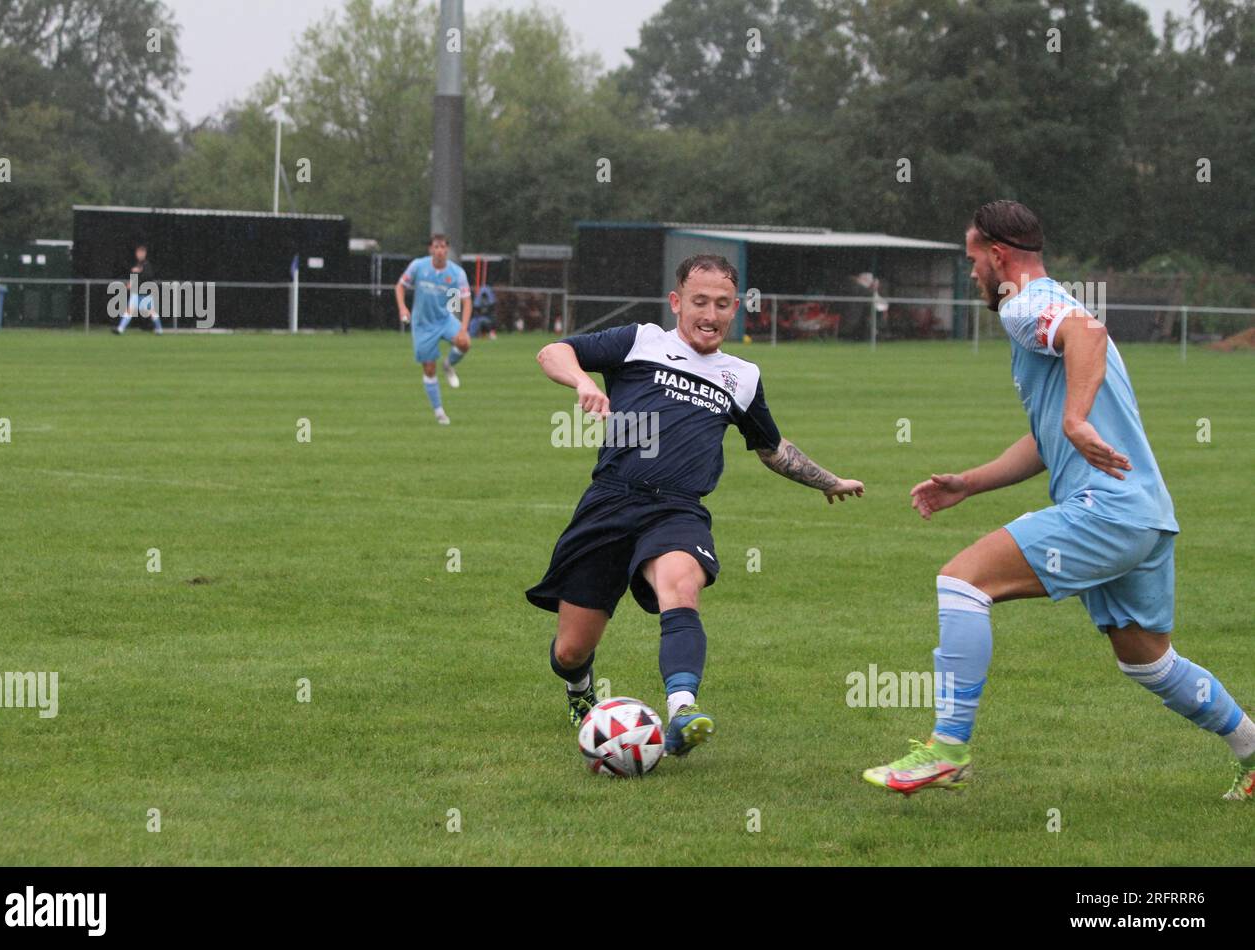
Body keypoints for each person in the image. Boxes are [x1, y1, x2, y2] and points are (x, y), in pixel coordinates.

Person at [863, 200, 1255, 801]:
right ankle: (1253, 751)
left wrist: (1074, 418)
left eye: (973, 260)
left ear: (998, 256)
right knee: (1147, 661)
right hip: (1144, 514)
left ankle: (947, 749)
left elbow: (1087, 336)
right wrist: (969, 482)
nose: (972, 275)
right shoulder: (1050, 305)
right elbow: (1047, 439)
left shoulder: (1024, 303)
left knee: (962, 583)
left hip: (1107, 509)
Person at [527, 254, 864, 757]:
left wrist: (827, 480)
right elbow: (552, 351)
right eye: (700, 301)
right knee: (571, 649)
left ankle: (682, 710)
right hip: (611, 501)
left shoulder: (742, 377)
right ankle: (579, 690)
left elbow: (771, 447)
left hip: (677, 510)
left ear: (735, 311)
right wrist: (583, 381)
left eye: (722, 304)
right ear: (677, 302)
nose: (710, 313)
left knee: (681, 585)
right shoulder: (641, 341)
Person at [395, 235, 472, 425]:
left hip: (445, 319)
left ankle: (448, 365)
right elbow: (400, 286)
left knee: (464, 342)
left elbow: (466, 301)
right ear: (431, 249)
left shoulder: (457, 273)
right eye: (436, 247)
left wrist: (463, 327)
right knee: (429, 368)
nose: (439, 250)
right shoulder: (418, 266)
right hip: (422, 324)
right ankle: (439, 412)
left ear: (447, 250)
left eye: (443, 247)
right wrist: (403, 308)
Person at [112, 244, 162, 335]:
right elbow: (136, 277)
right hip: (136, 292)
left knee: (151, 312)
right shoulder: (138, 264)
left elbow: (148, 276)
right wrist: (131, 283)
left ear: (145, 254)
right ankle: (120, 329)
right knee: (129, 310)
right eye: (138, 253)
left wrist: (139, 272)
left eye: (141, 253)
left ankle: (159, 329)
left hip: (146, 293)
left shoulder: (146, 264)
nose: (139, 254)